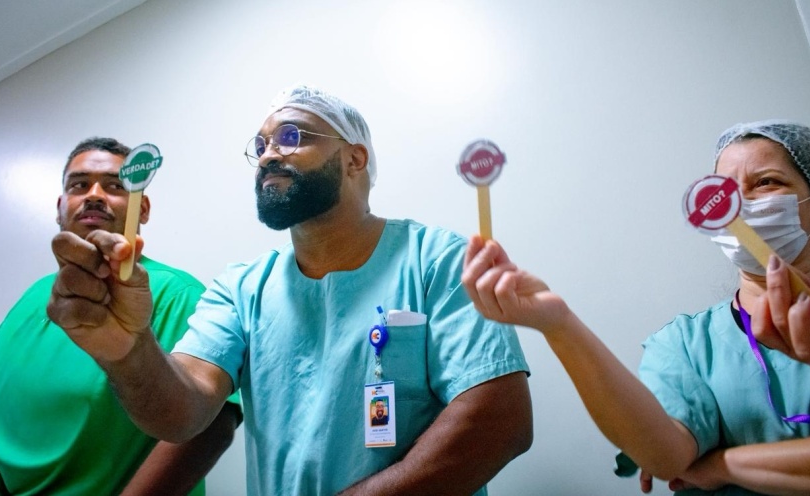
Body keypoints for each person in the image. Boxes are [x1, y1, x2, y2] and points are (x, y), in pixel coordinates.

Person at [46, 85, 533, 495]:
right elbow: (183, 414)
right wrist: (128, 351)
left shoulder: (437, 259)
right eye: (259, 146)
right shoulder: (241, 288)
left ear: (354, 158)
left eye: (291, 136)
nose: (269, 155)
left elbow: (501, 420)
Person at [462, 120, 810, 495]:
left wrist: (720, 465)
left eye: (766, 182)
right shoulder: (683, 344)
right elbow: (665, 456)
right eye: (726, 189)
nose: (740, 203)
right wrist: (559, 324)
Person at [0, 137, 242, 496]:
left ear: (142, 208)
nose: (94, 194)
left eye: (115, 186)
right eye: (79, 185)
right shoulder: (34, 293)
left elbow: (210, 427)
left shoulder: (176, 292)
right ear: (60, 207)